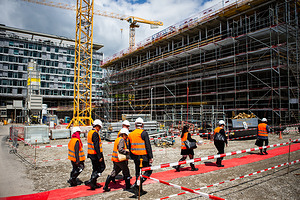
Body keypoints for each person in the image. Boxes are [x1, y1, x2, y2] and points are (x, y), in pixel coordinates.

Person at [128, 117, 153, 197]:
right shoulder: (144, 133)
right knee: (148, 171)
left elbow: (129, 147)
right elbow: (148, 146)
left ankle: (139, 190)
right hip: (144, 156)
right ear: (142, 125)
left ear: (135, 125)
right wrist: (150, 157)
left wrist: (131, 156)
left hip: (135, 157)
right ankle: (137, 184)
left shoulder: (131, 134)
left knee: (138, 172)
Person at [84, 119, 106, 190]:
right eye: (99, 127)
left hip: (91, 153)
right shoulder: (95, 133)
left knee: (95, 169)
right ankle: (93, 180)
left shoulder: (90, 132)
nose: (99, 129)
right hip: (95, 154)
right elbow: (96, 146)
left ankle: (92, 181)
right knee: (101, 167)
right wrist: (99, 156)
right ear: (97, 126)